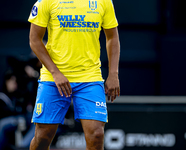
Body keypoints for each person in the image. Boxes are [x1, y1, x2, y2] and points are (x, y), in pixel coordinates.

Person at [28, 0, 120, 149]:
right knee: (42, 137)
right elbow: (34, 40)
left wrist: (113, 74)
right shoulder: (46, 1)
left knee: (97, 135)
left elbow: (112, 37)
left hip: (90, 78)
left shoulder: (104, 1)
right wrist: (55, 72)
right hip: (53, 79)